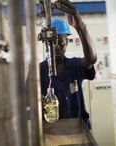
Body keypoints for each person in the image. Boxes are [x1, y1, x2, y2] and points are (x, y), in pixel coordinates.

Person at [40, 0, 97, 129]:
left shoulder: (74, 66)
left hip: (79, 130)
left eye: (61, 42)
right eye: (53, 42)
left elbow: (91, 59)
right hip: (52, 132)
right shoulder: (38, 72)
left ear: (67, 43)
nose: (57, 46)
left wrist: (80, 26)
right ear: (46, 43)